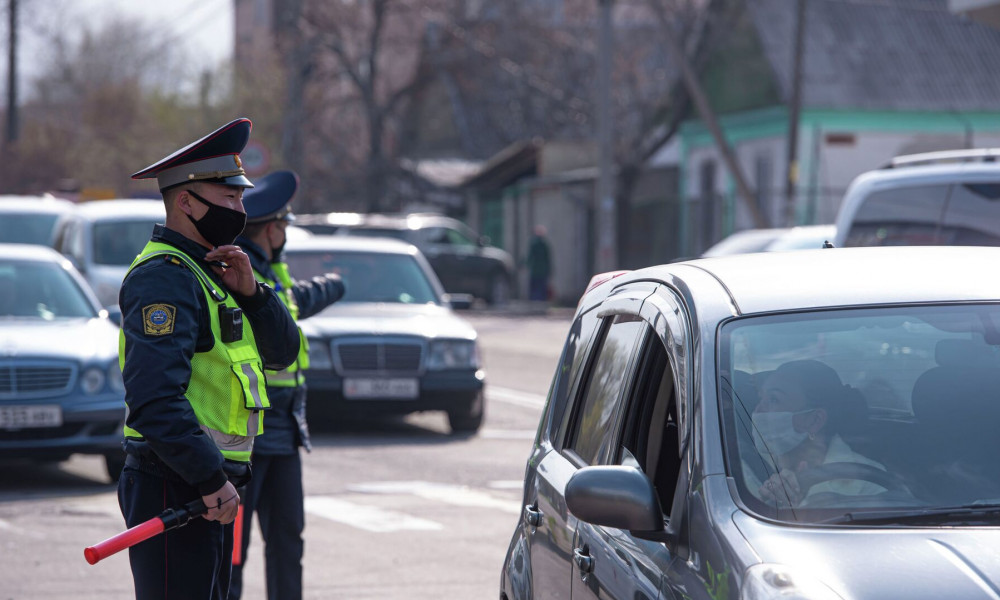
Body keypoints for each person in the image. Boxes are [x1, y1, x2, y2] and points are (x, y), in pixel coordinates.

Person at [117, 118, 300, 600]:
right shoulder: (164, 277)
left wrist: (256, 294)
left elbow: (282, 355)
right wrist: (209, 478)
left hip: (212, 487)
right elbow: (155, 398)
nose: (241, 210)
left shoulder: (215, 270)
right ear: (186, 201)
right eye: (230, 198)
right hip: (178, 482)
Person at [229, 170, 346, 600]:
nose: (286, 235)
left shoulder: (270, 271)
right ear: (272, 228)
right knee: (233, 554)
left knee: (287, 543)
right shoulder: (238, 274)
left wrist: (332, 285)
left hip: (282, 432)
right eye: (284, 226)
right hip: (245, 438)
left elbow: (294, 301)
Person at [747, 359, 886, 507]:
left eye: (774, 399)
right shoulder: (745, 464)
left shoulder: (868, 479)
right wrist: (766, 502)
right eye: (761, 398)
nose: (758, 411)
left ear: (814, 420)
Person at [526, 224, 552, 302]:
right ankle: (541, 301)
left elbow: (530, 257)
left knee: (534, 287)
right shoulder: (545, 244)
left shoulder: (533, 243)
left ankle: (534, 301)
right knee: (542, 287)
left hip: (535, 270)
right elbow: (548, 258)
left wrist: (527, 265)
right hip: (543, 270)